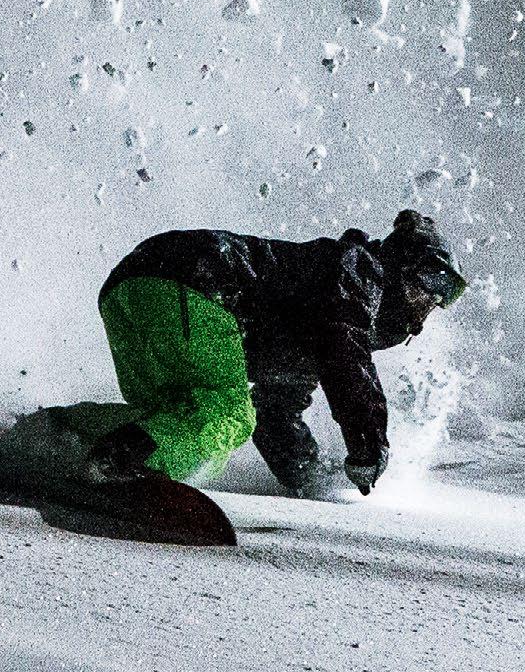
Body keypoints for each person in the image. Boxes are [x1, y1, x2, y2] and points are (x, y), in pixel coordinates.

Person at [75, 208, 464, 496]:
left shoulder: (316, 309)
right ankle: (115, 463)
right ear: (398, 266)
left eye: (438, 299)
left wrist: (311, 478)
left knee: (182, 420)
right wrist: (368, 442)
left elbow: (276, 413)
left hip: (133, 286)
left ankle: (68, 439)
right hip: (195, 282)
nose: (427, 304)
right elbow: (345, 350)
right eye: (425, 285)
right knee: (228, 416)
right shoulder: (358, 273)